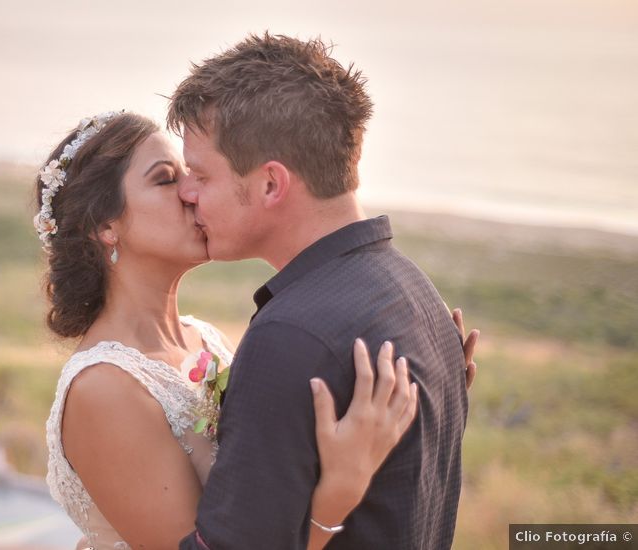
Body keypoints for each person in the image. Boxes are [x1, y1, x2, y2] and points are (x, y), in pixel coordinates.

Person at [37, 110, 479, 549]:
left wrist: (430, 387)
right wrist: (335, 497)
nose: (191, 192)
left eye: (191, 175)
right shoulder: (105, 389)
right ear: (105, 227)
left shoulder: (204, 339)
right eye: (166, 179)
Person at [166, 33, 473, 549]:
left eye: (200, 174)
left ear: (271, 185)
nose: (186, 192)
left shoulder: (291, 338)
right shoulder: (420, 295)